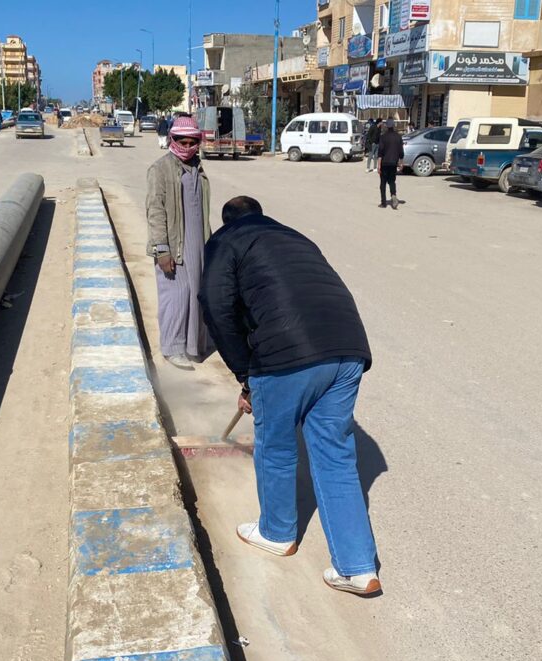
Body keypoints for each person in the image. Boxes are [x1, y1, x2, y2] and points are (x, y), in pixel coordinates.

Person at [199, 196, 381, 597]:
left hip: (289, 354)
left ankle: (277, 532)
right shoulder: (294, 237)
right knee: (335, 457)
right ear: (260, 215)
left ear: (227, 221)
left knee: (277, 447)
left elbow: (216, 306)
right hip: (348, 348)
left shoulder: (227, 240)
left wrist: (247, 376)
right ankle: (358, 567)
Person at [145, 116, 213, 370]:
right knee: (175, 296)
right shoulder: (160, 169)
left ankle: (194, 344)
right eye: (181, 141)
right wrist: (162, 249)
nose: (186, 146)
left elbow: (201, 210)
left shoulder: (197, 168)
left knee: (196, 294)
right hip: (174, 245)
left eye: (191, 142)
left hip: (198, 244)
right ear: (172, 140)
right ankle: (173, 348)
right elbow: (155, 211)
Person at [378, 118, 404, 209]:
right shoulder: (398, 137)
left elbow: (380, 152)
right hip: (394, 163)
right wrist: (401, 163)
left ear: (386, 126)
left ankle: (383, 203)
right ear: (393, 125)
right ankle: (393, 195)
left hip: (384, 163)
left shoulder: (383, 137)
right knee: (392, 181)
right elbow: (401, 152)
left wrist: (378, 165)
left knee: (383, 183)